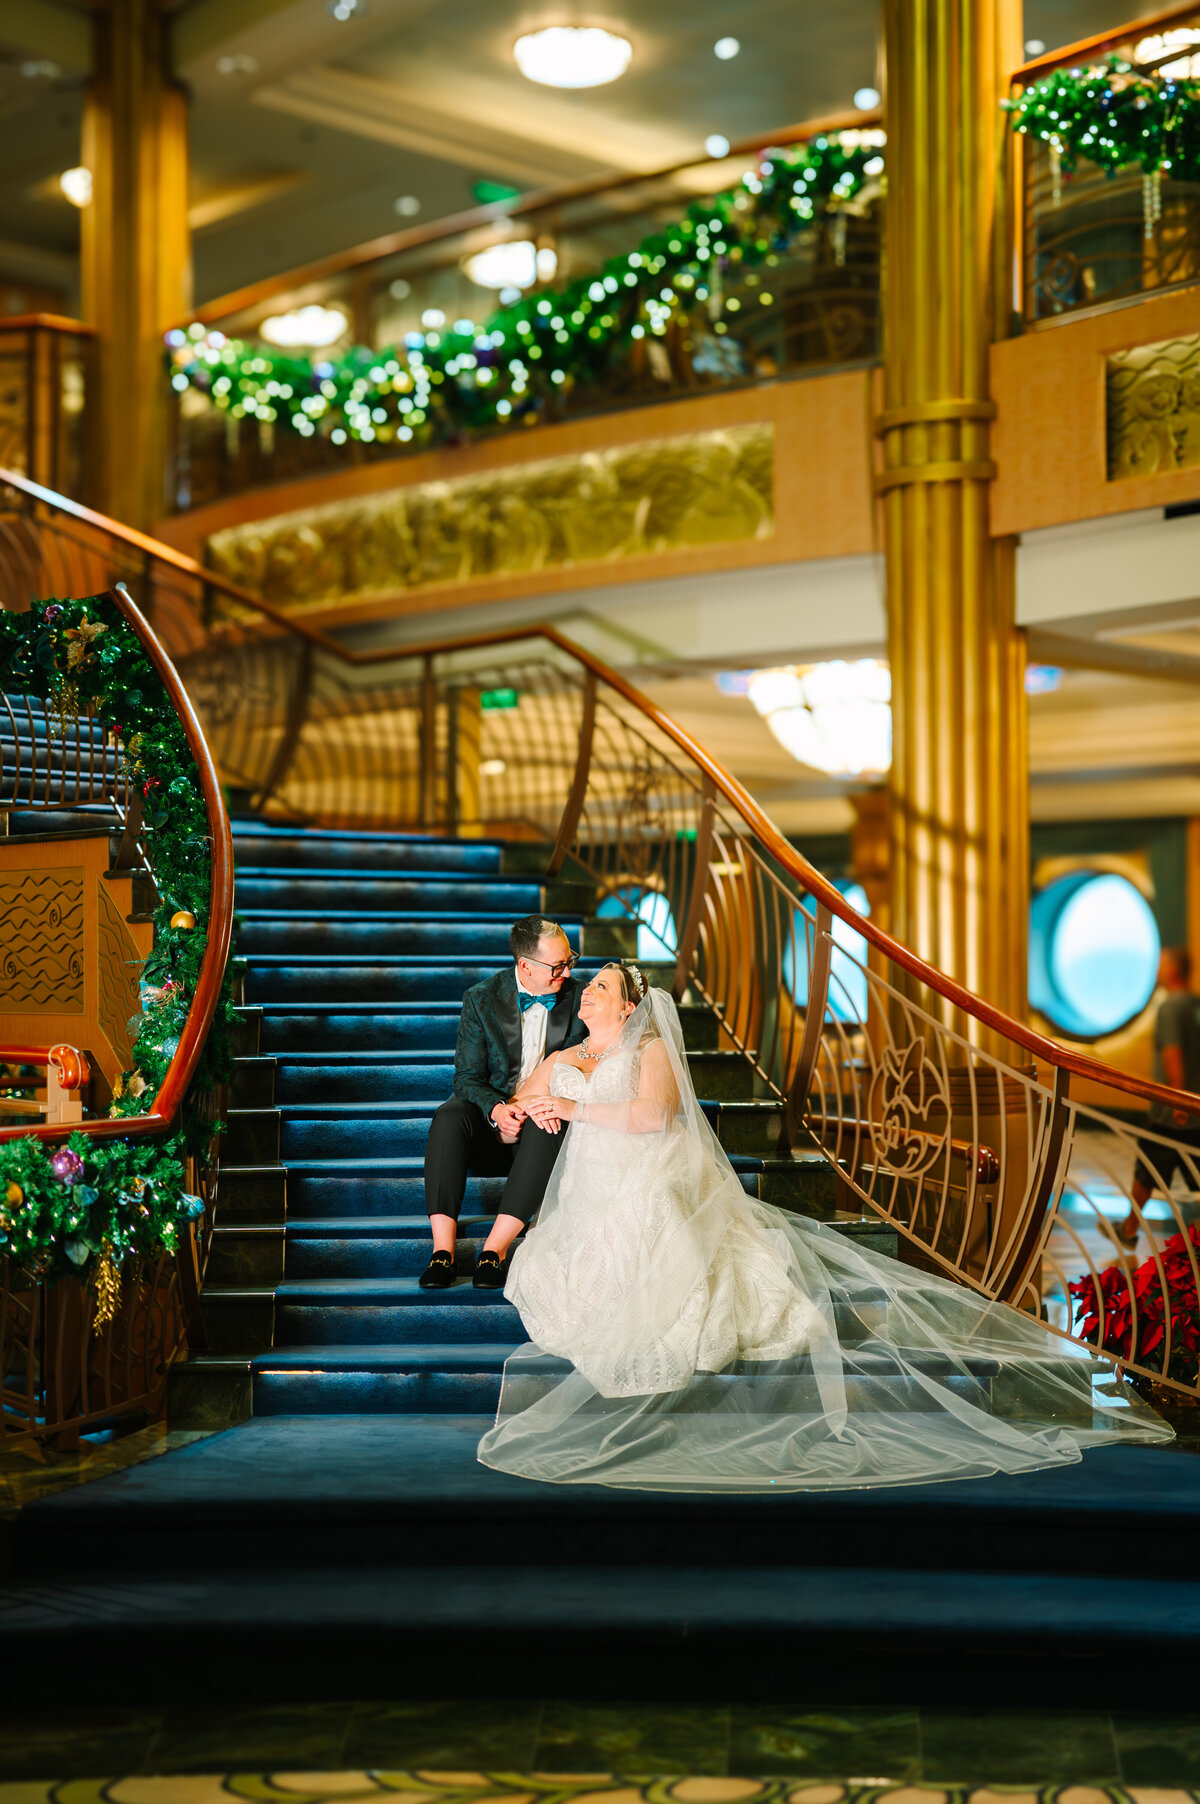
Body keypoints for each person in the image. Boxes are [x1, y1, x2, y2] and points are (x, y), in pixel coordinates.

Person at [477, 962, 1172, 1492]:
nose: (589, 993)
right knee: (560, 1275)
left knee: (665, 1261)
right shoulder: (568, 1058)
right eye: (587, 986)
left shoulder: (648, 1049)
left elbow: (654, 1118)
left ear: (628, 1004)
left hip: (644, 1176)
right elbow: (520, 1105)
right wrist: (520, 1111)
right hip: (592, 1192)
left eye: (600, 984)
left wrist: (567, 1112)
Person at [419, 915, 586, 1290]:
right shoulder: (480, 999)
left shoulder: (580, 998)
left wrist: (533, 1107)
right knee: (449, 1115)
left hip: (544, 1129)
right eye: (557, 965)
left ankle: (494, 1252)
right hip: (491, 1122)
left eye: (568, 960)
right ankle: (441, 1252)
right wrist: (497, 1111)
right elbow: (466, 1077)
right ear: (525, 965)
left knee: (547, 1121)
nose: (566, 971)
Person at [1118, 946, 1200, 1246]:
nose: (1157, 970)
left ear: (1174, 970)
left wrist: (1177, 1099)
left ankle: (1127, 1231)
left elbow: (1173, 1054)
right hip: (1197, 1108)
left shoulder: (1168, 1008)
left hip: (1172, 1112)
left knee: (1147, 1171)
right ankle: (1127, 1229)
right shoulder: (1195, 1004)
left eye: (1162, 964)